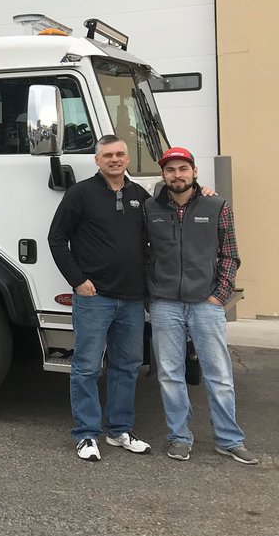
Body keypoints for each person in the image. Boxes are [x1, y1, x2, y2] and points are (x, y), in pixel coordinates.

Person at [144, 146, 257, 464]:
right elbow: (143, 254)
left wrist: (218, 296)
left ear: (194, 171)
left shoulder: (217, 204)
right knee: (169, 374)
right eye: (170, 170)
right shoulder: (151, 208)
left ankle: (229, 439)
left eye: (182, 168)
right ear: (163, 175)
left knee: (219, 374)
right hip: (165, 303)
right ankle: (179, 437)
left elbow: (229, 254)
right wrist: (151, 293)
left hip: (205, 303)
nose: (176, 175)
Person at [48, 135, 152, 462]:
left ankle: (120, 431)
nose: (115, 159)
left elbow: (164, 227)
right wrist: (77, 281)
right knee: (87, 367)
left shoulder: (140, 196)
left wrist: (203, 192)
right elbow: (56, 238)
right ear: (97, 160)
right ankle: (86, 434)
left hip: (132, 299)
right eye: (108, 155)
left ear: (127, 159)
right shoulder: (80, 194)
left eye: (120, 154)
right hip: (95, 298)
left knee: (127, 366)